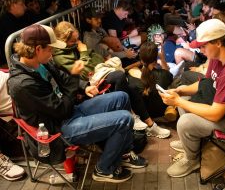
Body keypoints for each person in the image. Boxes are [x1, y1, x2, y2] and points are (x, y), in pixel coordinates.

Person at [8, 24, 147, 183]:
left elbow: (64, 78)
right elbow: (62, 109)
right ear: (38, 49)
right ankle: (103, 169)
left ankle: (123, 152)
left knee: (121, 96)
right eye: (50, 49)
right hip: (58, 129)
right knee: (124, 119)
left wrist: (84, 86)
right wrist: (74, 82)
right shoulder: (22, 84)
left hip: (68, 111)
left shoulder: (40, 62)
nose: (52, 52)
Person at [159, 19, 225, 177]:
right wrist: (181, 91)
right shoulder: (219, 57)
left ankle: (192, 160)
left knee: (186, 122)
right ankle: (189, 143)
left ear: (218, 42)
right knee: (184, 101)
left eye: (203, 46)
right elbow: (205, 84)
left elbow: (216, 113)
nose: (200, 50)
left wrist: (177, 101)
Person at [127, 42, 172, 138]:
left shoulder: (132, 79)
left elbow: (125, 69)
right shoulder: (164, 74)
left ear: (141, 58)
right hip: (160, 111)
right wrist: (163, 59)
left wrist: (140, 62)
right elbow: (169, 75)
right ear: (156, 58)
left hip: (144, 114)